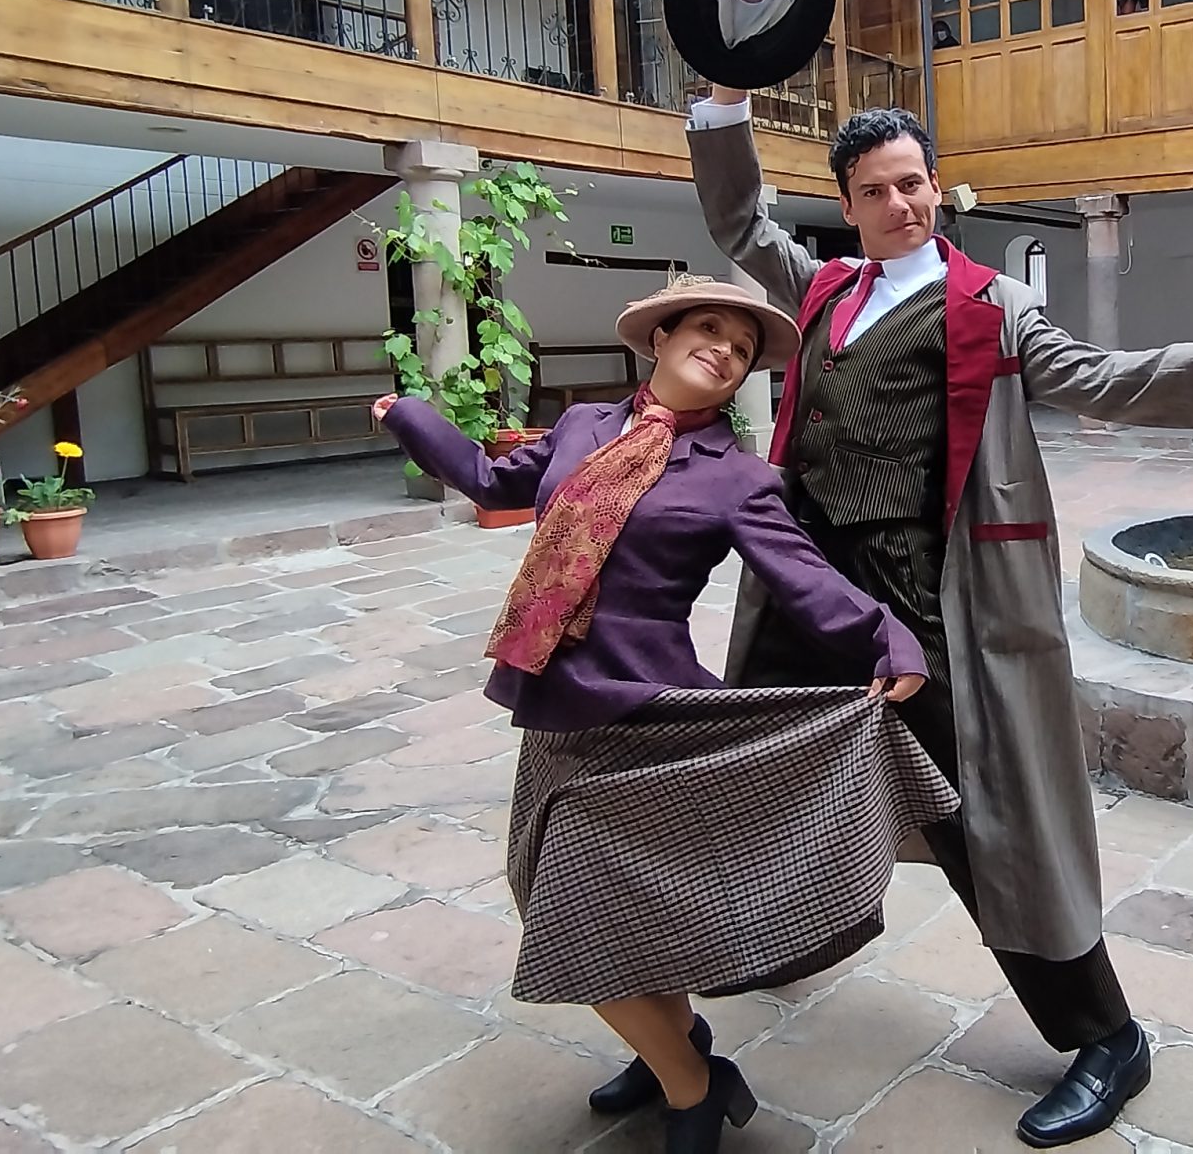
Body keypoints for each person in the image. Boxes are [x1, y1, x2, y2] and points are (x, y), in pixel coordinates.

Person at [688, 84, 1193, 1146]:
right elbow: (738, 222)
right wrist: (724, 106)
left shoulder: (990, 304)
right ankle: (749, 955)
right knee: (750, 769)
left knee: (983, 816)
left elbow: (1094, 379)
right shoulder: (821, 287)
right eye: (876, 191)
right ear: (849, 206)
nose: (901, 204)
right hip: (806, 584)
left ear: (936, 188)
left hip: (922, 600)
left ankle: (1106, 1036)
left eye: (913, 183)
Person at [374, 277, 954, 1154]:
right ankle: (670, 1046)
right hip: (556, 699)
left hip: (645, 712)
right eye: (707, 330)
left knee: (572, 915)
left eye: (742, 350)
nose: (723, 350)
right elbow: (493, 482)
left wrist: (888, 638)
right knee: (559, 892)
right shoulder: (583, 428)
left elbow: (803, 578)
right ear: (662, 338)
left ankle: (695, 1087)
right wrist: (411, 417)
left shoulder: (736, 478)